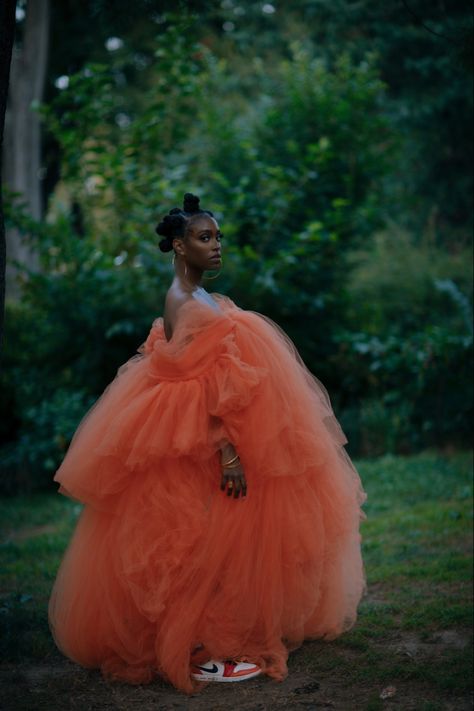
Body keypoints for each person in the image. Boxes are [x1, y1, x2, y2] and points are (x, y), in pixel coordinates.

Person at [48, 192, 368, 694]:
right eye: (204, 238)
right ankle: (201, 644)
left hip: (209, 430)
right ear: (179, 246)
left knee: (220, 536)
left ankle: (212, 634)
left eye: (218, 237)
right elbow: (195, 386)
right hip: (200, 437)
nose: (216, 246)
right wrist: (229, 450)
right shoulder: (182, 300)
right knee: (198, 537)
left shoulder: (198, 298)